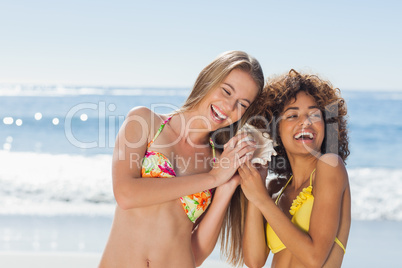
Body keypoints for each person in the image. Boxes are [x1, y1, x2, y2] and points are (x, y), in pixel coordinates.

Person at [98, 50, 265, 268]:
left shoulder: (220, 161)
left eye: (242, 104)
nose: (229, 107)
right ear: (208, 79)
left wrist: (227, 186)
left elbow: (197, 252)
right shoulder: (145, 123)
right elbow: (126, 194)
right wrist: (213, 178)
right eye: (226, 91)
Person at [238, 69, 351, 267]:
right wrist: (259, 186)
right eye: (292, 115)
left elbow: (314, 258)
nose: (305, 122)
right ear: (276, 129)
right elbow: (254, 260)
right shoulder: (277, 189)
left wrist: (261, 200)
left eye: (314, 114)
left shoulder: (330, 166)